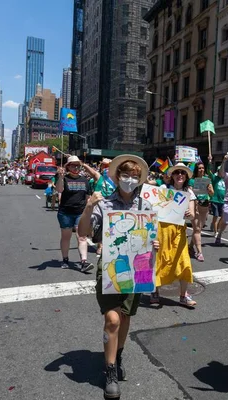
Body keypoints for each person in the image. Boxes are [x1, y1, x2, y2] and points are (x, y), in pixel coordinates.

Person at [77, 154, 157, 399]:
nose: (130, 180)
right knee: (112, 319)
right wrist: (89, 205)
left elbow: (152, 237)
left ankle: (118, 354)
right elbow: (83, 232)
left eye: (135, 176)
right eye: (126, 175)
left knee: (124, 318)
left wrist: (155, 244)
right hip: (111, 268)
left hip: (138, 268)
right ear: (116, 177)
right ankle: (110, 370)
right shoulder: (104, 204)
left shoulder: (146, 207)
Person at [150, 162, 197, 307]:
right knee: (159, 260)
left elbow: (193, 215)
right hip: (162, 230)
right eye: (177, 173)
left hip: (179, 232)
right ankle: (155, 291)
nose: (180, 175)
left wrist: (189, 214)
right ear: (172, 176)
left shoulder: (189, 193)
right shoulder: (164, 189)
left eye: (182, 173)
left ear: (186, 177)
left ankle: (184, 295)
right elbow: (154, 209)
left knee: (184, 263)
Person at [55, 156, 98, 272]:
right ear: (68, 166)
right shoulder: (63, 178)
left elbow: (88, 197)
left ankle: (84, 262)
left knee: (82, 237)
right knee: (66, 237)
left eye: (77, 165)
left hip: (81, 213)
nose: (76, 167)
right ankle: (65, 259)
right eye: (73, 165)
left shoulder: (85, 180)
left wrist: (89, 211)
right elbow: (59, 190)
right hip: (65, 213)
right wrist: (60, 176)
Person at [189, 158, 214, 261]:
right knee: (197, 229)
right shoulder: (191, 180)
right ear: (196, 169)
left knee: (198, 228)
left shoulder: (207, 179)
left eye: (203, 168)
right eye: (199, 168)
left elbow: (212, 193)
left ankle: (190, 247)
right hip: (195, 206)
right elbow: (190, 194)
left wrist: (210, 190)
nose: (201, 170)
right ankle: (199, 252)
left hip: (204, 206)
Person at [209, 165, 225, 234]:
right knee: (216, 216)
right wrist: (210, 162)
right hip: (215, 200)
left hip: (222, 201)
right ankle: (216, 232)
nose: (221, 172)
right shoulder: (214, 178)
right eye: (220, 171)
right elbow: (208, 171)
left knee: (223, 216)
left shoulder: (224, 180)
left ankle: (215, 225)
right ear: (218, 172)